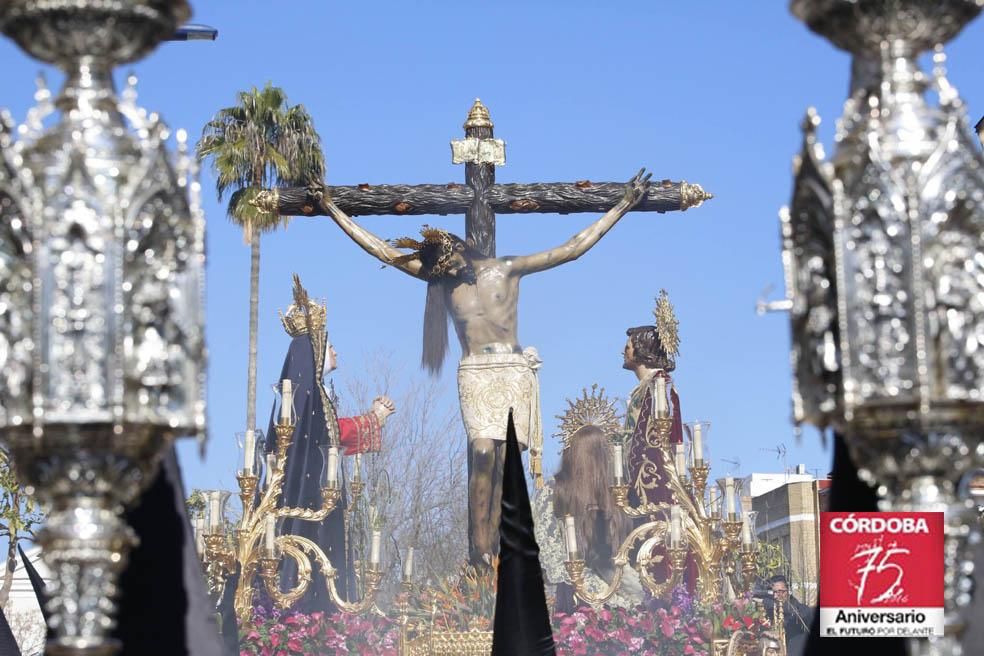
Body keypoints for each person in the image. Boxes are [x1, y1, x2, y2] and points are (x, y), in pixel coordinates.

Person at [314, 169, 653, 564]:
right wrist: (333, 209)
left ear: (459, 249)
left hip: (511, 369)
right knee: (481, 452)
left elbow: (571, 248)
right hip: (474, 372)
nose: (446, 275)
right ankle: (479, 554)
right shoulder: (442, 278)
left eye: (449, 265)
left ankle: (500, 552)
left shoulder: (505, 269)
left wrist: (622, 206)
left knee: (505, 462)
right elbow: (382, 251)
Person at [263, 275, 395, 613]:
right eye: (329, 345)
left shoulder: (315, 395)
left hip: (318, 499)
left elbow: (327, 438)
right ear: (315, 351)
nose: (335, 351)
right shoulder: (306, 398)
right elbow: (326, 437)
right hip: (308, 504)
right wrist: (372, 420)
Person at [533, 386, 644, 612]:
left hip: (586, 603)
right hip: (576, 601)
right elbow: (553, 560)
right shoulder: (555, 494)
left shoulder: (620, 496)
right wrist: (622, 603)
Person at [621, 291, 697, 592]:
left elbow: (659, 441)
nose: (622, 351)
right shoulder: (644, 389)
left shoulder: (660, 386)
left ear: (640, 351)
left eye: (627, 346)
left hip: (655, 488)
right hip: (638, 487)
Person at [762, 575, 812, 655]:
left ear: (788, 591)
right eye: (773, 592)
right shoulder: (768, 607)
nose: (776, 595)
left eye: (780, 591)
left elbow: (804, 614)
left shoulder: (801, 609)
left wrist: (784, 607)